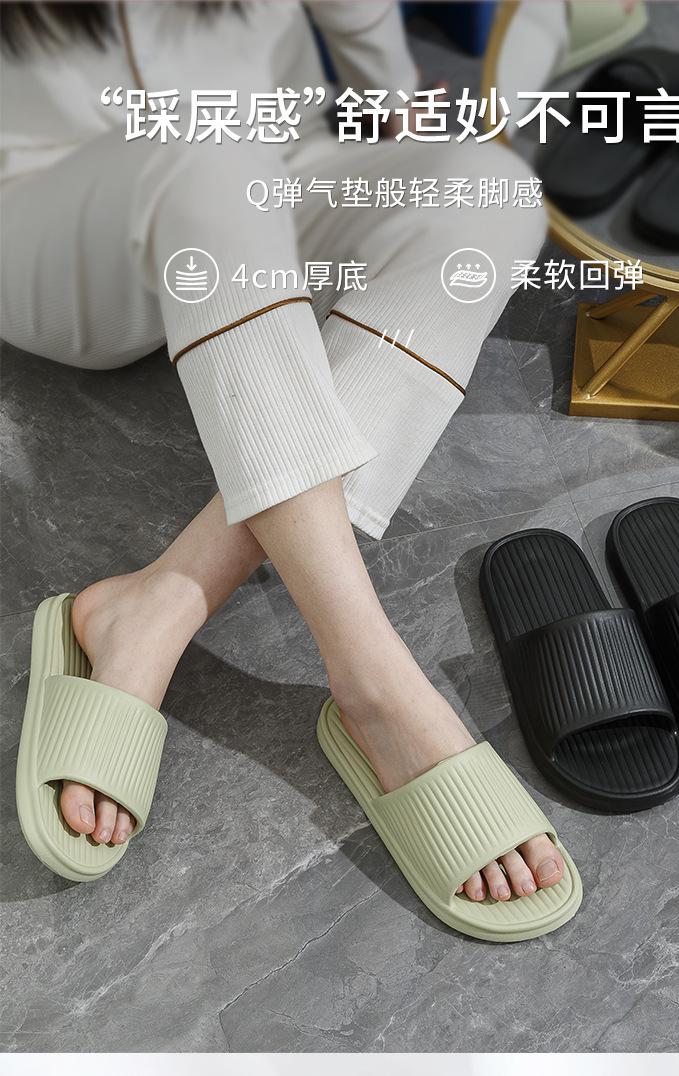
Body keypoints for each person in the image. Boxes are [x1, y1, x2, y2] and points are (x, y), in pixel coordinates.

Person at [1, 1, 564, 903]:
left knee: (490, 193)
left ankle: (161, 601)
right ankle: (375, 679)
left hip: (264, 163)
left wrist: (391, 97)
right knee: (197, 143)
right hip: (51, 219)